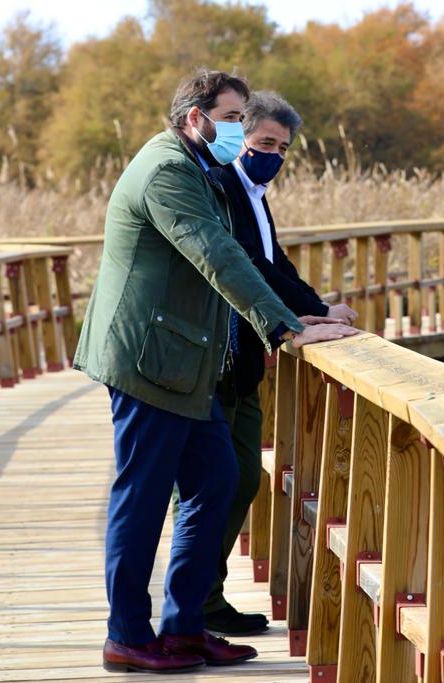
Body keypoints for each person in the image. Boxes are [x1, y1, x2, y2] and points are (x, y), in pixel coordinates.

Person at [74, 70, 357, 674]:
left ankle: (183, 627)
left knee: (218, 479)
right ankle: (126, 635)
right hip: (148, 358)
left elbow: (250, 256)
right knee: (142, 496)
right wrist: (287, 326)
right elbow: (215, 252)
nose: (237, 128)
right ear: (193, 118)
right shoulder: (168, 171)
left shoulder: (198, 166)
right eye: (230, 118)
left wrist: (299, 311)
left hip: (184, 360)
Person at [193, 91, 358, 637]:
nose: (273, 155)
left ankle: (206, 602)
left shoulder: (255, 191)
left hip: (245, 360)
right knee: (215, 485)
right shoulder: (224, 189)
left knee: (238, 479)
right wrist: (305, 316)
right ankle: (197, 606)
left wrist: (317, 309)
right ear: (240, 137)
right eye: (264, 142)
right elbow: (250, 265)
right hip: (218, 357)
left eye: (283, 148)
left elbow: (275, 259)